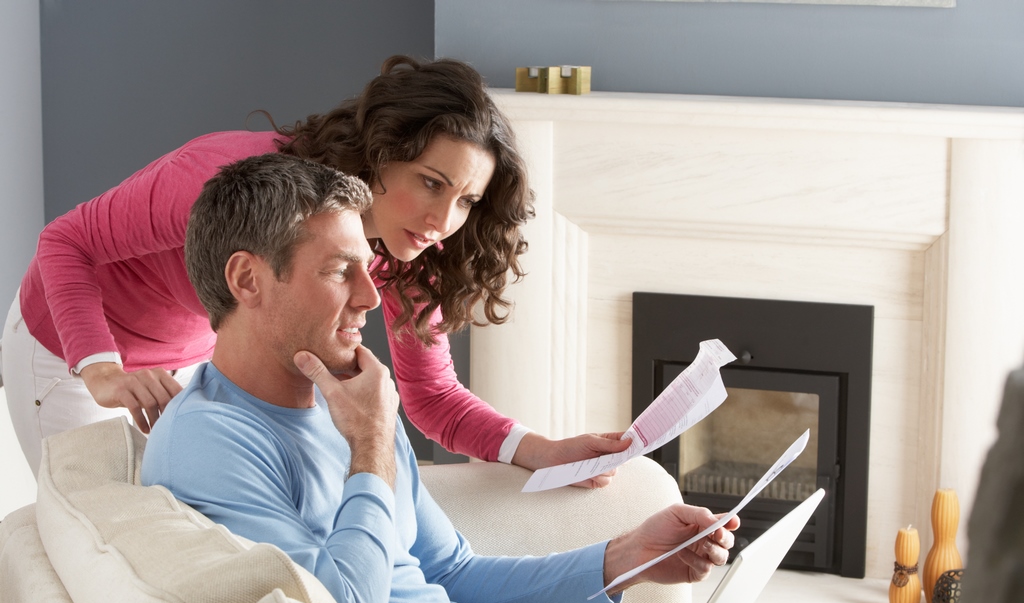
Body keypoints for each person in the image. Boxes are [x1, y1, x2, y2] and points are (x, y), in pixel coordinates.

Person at [141, 154, 895, 603]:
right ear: (248, 279)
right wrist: (371, 448)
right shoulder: (211, 442)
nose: (372, 301)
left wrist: (627, 556)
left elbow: (453, 573)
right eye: (341, 271)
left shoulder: (346, 395)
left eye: (367, 270)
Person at [1, 55, 628, 479]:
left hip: (184, 355)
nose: (443, 219)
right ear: (381, 152)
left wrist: (539, 451)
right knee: (96, 534)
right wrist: (101, 369)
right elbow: (64, 242)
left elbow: (433, 398)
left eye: (465, 200)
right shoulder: (224, 183)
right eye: (431, 183)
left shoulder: (406, 248)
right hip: (70, 346)